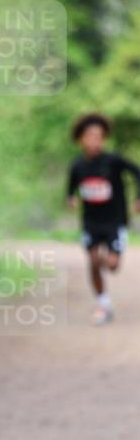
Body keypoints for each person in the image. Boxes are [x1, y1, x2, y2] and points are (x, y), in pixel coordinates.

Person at [66, 112, 140, 325]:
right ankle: (103, 304)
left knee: (112, 265)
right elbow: (70, 189)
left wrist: (138, 197)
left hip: (115, 221)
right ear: (81, 139)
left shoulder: (113, 161)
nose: (95, 141)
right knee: (93, 260)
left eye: (99, 137)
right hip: (91, 222)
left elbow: (137, 172)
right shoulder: (77, 166)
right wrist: (71, 199)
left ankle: (111, 260)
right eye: (90, 136)